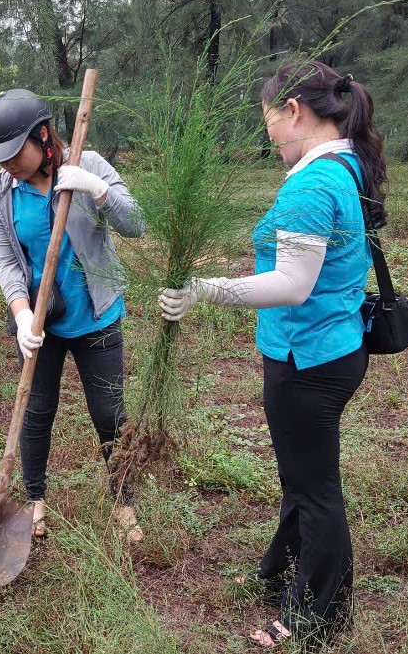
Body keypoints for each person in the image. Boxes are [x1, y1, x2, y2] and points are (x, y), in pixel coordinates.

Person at [157, 61, 385, 648]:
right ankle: (280, 569)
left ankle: (317, 613)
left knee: (314, 488)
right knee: (300, 476)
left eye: (269, 123)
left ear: (294, 111)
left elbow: (291, 283)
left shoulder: (312, 184)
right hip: (330, 347)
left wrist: (206, 290)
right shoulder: (345, 165)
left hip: (308, 359)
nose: (271, 138)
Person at [0, 89, 146, 542]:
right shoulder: (0, 193)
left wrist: (99, 191)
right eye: (0, 157)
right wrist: (21, 316)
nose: (8, 165)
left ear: (42, 136)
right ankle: (35, 498)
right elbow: (7, 263)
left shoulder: (87, 165)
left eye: (15, 153)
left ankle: (124, 500)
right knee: (36, 409)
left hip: (96, 315)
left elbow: (137, 224)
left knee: (109, 413)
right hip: (42, 320)